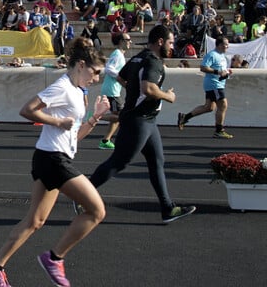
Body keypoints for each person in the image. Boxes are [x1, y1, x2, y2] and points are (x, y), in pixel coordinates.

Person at [0, 38, 110, 287]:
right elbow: (27, 110)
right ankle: (54, 258)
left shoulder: (75, 91)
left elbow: (74, 137)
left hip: (50, 156)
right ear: (81, 65)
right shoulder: (61, 87)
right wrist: (57, 122)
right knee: (96, 211)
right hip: (53, 159)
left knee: (34, 222)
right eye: (94, 72)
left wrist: (95, 118)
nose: (96, 78)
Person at [83, 25, 196, 223]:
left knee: (157, 162)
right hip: (138, 120)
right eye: (170, 42)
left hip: (147, 119)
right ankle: (82, 195)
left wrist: (135, 91)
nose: (172, 46)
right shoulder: (153, 61)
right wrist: (168, 97)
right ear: (160, 41)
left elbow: (121, 77)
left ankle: (168, 208)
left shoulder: (138, 57)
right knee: (119, 162)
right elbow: (149, 88)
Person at [177, 37, 234, 139]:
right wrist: (217, 72)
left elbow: (221, 70)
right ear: (219, 45)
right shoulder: (212, 55)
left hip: (218, 84)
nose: (227, 46)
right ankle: (219, 130)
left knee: (209, 107)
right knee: (223, 105)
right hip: (214, 85)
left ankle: (185, 117)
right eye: (226, 44)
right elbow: (203, 67)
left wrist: (227, 73)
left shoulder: (222, 56)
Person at [98, 32, 132, 150]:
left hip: (114, 90)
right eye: (127, 39)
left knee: (116, 117)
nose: (130, 42)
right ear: (121, 41)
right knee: (120, 116)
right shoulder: (117, 54)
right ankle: (93, 117)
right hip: (111, 90)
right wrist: (119, 78)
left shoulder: (120, 55)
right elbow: (108, 69)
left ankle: (105, 140)